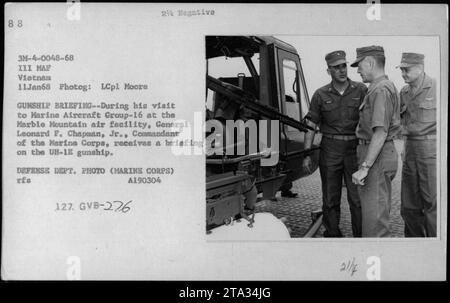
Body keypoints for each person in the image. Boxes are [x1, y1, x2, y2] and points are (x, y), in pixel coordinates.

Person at [303, 50, 366, 237]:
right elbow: (310, 126)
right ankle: (333, 235)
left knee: (357, 199)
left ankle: (360, 238)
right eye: (336, 67)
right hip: (330, 149)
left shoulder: (361, 90)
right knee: (330, 198)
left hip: (354, 150)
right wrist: (306, 154)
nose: (341, 70)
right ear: (328, 70)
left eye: (343, 66)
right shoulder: (320, 94)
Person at [350, 45, 401, 237]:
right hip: (376, 155)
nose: (358, 70)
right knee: (374, 217)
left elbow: (380, 132)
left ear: (370, 62)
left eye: (360, 65)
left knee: (374, 225)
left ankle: (377, 261)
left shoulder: (381, 89)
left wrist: (365, 167)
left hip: (376, 158)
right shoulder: (378, 88)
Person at [397, 53, 437, 237]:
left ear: (420, 68)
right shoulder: (403, 92)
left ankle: (434, 245)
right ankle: (414, 244)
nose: (403, 73)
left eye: (407, 69)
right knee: (409, 203)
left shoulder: (436, 87)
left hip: (430, 151)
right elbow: (398, 120)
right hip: (410, 150)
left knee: (431, 202)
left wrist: (402, 130)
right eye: (402, 69)